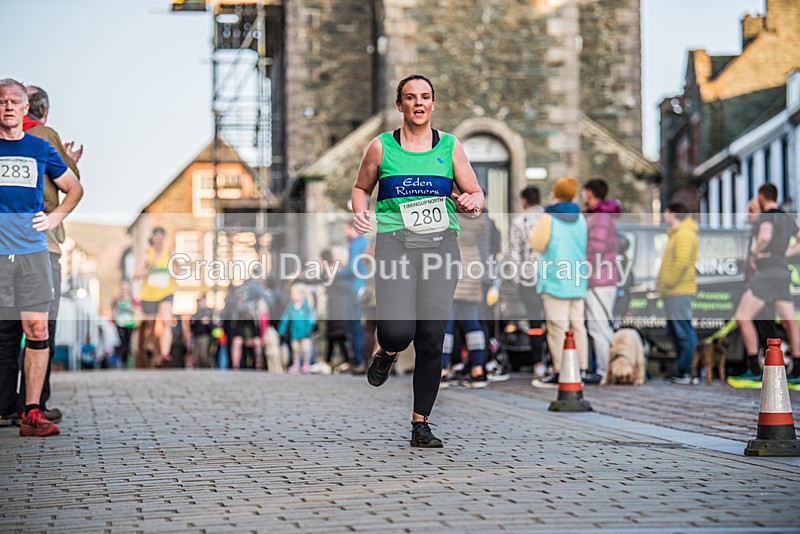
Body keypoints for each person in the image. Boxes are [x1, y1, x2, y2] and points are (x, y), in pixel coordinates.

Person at [351, 74, 484, 448]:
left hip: (441, 247)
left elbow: (475, 191)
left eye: (425, 97)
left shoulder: (450, 147)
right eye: (411, 97)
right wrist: (361, 213)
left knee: (430, 338)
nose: (419, 103)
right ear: (400, 106)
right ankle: (388, 352)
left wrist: (473, 200)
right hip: (395, 245)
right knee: (398, 331)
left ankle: (420, 424)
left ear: (433, 103)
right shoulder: (381, 148)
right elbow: (361, 188)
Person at [0, 78, 83, 436]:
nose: (7, 107)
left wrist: (55, 217)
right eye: (1, 101)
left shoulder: (38, 146)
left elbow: (74, 187)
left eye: (14, 101)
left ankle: (32, 412)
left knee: (36, 328)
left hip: (33, 252)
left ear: (24, 108)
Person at [732, 184, 800, 388]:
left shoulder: (767, 216)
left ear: (762, 196)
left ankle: (754, 369)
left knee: (742, 317)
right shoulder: (787, 217)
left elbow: (765, 236)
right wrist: (784, 254)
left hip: (766, 273)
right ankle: (797, 370)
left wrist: (755, 252)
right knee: (790, 322)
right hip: (782, 272)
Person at [529, 177, 590, 388]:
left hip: (555, 278)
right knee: (578, 326)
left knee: (557, 327)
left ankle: (559, 370)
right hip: (576, 278)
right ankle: (580, 369)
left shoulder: (549, 216)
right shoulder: (580, 217)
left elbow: (537, 243)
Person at [440, 208, 490, 388]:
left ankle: (442, 370)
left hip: (451, 264)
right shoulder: (481, 216)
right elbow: (486, 246)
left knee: (447, 323)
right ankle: (478, 369)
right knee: (472, 323)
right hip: (473, 266)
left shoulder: (449, 212)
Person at [582, 178, 621, 383]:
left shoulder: (599, 218)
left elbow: (595, 249)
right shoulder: (600, 216)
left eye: (584, 191)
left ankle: (604, 370)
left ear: (590, 193)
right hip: (601, 277)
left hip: (599, 279)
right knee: (598, 325)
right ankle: (605, 368)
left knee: (599, 327)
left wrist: (583, 270)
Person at [656, 200, 698, 384]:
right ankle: (682, 369)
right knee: (675, 332)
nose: (664, 216)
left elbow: (681, 263)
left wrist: (668, 283)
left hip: (678, 291)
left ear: (672, 213)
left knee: (683, 332)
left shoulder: (684, 235)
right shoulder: (676, 235)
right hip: (672, 291)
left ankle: (688, 371)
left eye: (665, 212)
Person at [507, 185, 545, 376]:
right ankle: (556, 361)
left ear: (524, 201)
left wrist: (516, 279)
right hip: (551, 276)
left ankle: (538, 362)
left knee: (535, 322)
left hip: (528, 278)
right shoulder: (550, 219)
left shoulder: (519, 221)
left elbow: (514, 253)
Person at [134, 227, 175, 368]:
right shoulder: (146, 253)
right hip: (149, 294)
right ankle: (148, 344)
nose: (159, 239)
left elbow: (179, 271)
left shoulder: (169, 252)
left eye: (161, 236)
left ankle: (165, 353)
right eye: (156, 236)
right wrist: (149, 268)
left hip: (166, 291)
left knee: (166, 322)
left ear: (164, 238)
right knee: (150, 324)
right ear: (152, 237)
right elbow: (136, 275)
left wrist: (176, 261)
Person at [341, 221, 369, 374]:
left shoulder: (356, 243)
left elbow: (351, 268)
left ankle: (358, 360)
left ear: (352, 228)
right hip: (361, 287)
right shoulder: (364, 242)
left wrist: (335, 274)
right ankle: (358, 360)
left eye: (345, 229)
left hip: (356, 289)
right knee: (357, 326)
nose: (344, 233)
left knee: (355, 326)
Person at [320, 248, 352, 372]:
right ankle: (336, 361)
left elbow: (328, 282)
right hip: (336, 305)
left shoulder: (333, 270)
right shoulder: (338, 268)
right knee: (335, 336)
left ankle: (340, 360)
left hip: (337, 306)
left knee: (336, 335)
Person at [277, 283, 316, 374]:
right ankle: (296, 364)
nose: (292, 295)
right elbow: (285, 318)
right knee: (295, 350)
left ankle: (306, 364)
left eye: (293, 293)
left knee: (306, 350)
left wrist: (309, 328)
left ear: (301, 294)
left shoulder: (306, 305)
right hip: (294, 332)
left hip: (306, 333)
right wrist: (281, 329)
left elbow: (310, 318)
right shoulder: (291, 306)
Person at [111, 281, 140, 369]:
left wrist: (131, 308)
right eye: (123, 288)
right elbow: (113, 311)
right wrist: (114, 315)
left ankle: (126, 360)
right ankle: (123, 361)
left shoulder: (132, 300)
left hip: (130, 323)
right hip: (120, 323)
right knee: (122, 342)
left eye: (126, 288)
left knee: (127, 343)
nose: (124, 290)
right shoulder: (116, 299)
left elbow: (138, 310)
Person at [189, 295, 215, 368]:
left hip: (205, 336)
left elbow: (214, 325)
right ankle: (200, 370)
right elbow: (191, 325)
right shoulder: (196, 313)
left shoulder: (208, 312)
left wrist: (208, 323)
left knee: (203, 354)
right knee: (196, 356)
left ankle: (208, 368)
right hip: (196, 336)